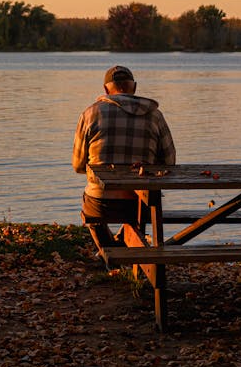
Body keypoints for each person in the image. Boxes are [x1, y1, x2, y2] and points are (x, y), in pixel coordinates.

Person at [73, 65, 176, 247]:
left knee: (91, 209)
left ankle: (110, 252)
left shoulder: (90, 114)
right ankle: (122, 246)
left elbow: (78, 166)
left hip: (101, 203)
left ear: (106, 89)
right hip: (142, 204)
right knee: (140, 205)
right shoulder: (155, 116)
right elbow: (169, 162)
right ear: (134, 87)